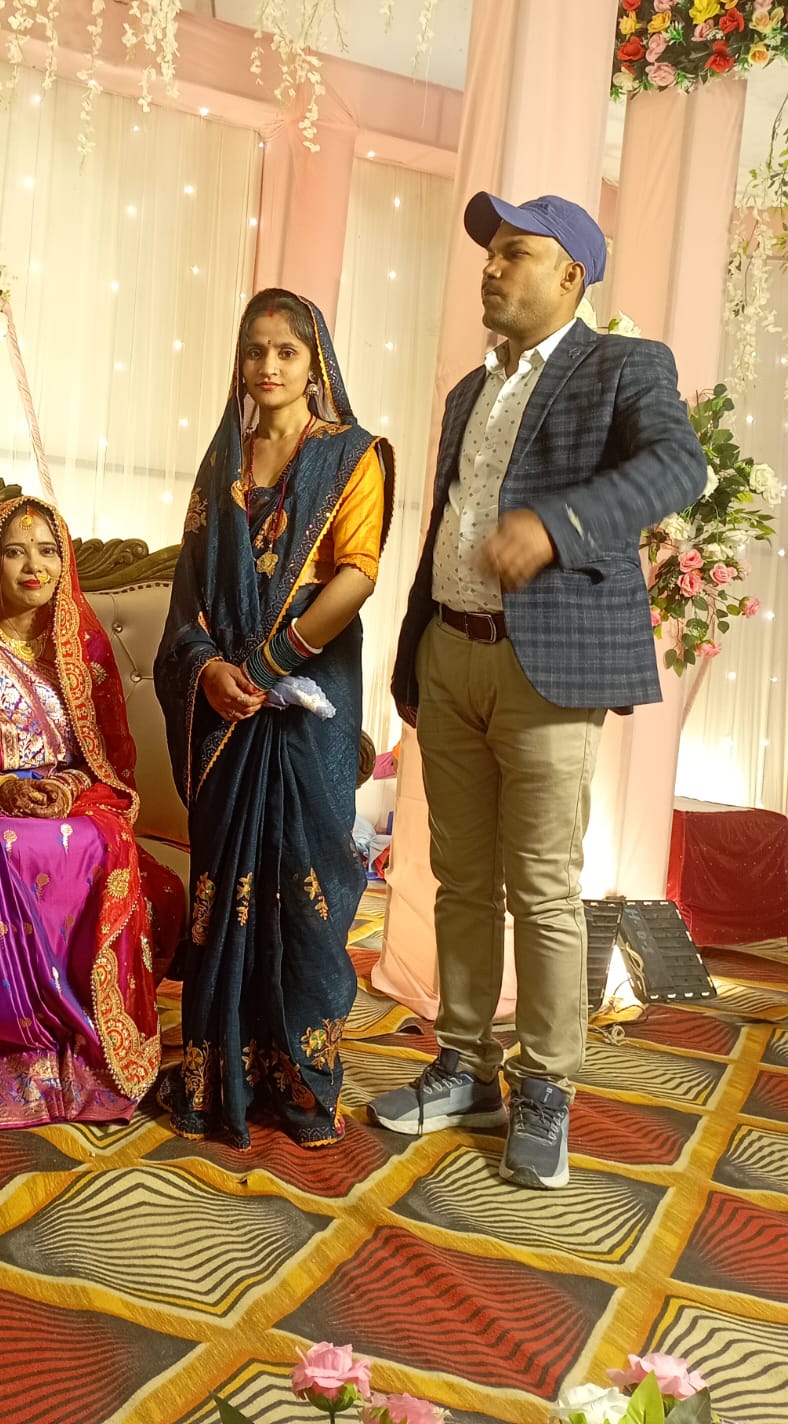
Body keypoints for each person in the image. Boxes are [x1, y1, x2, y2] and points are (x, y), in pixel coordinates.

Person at [368, 193, 708, 1189]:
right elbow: (446, 523)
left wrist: (558, 526)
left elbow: (677, 465)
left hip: (547, 665)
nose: (490, 266)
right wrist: (413, 658)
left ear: (571, 275)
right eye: (488, 252)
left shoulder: (622, 365)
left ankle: (546, 1087)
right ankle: (465, 1065)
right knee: (459, 881)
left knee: (544, 889)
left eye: (514, 252)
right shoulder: (467, 391)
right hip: (451, 651)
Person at [154, 287, 394, 1149]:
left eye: (286, 351)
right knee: (223, 890)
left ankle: (301, 1084)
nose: (267, 366)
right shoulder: (224, 458)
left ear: (314, 361)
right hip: (229, 704)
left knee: (305, 886)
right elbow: (190, 595)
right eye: (254, 350)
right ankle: (218, 1073)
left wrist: (270, 662)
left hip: (305, 700)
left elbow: (357, 574)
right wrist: (211, 669)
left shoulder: (350, 456)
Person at [0, 496, 185, 1131]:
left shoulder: (82, 649)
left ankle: (80, 1032)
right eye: (15, 552)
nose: (33, 567)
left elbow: (102, 762)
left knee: (96, 839)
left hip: (66, 800)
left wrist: (68, 789)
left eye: (48, 551)